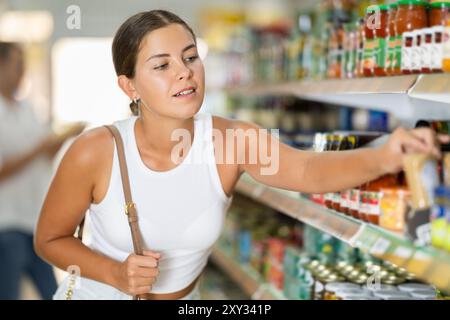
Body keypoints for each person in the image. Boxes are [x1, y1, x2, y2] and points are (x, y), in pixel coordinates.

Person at [34, 10, 449, 300]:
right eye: (162, 65)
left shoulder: (231, 141)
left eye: (190, 56)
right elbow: (49, 240)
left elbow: (307, 170)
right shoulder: (95, 151)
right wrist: (115, 273)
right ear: (130, 87)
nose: (184, 71)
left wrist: (385, 155)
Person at [0, 42, 82, 300]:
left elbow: (44, 156)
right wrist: (39, 148)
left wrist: (61, 141)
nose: (22, 70)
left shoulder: (26, 108)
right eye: (17, 63)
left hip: (35, 221)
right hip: (6, 223)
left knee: (54, 293)